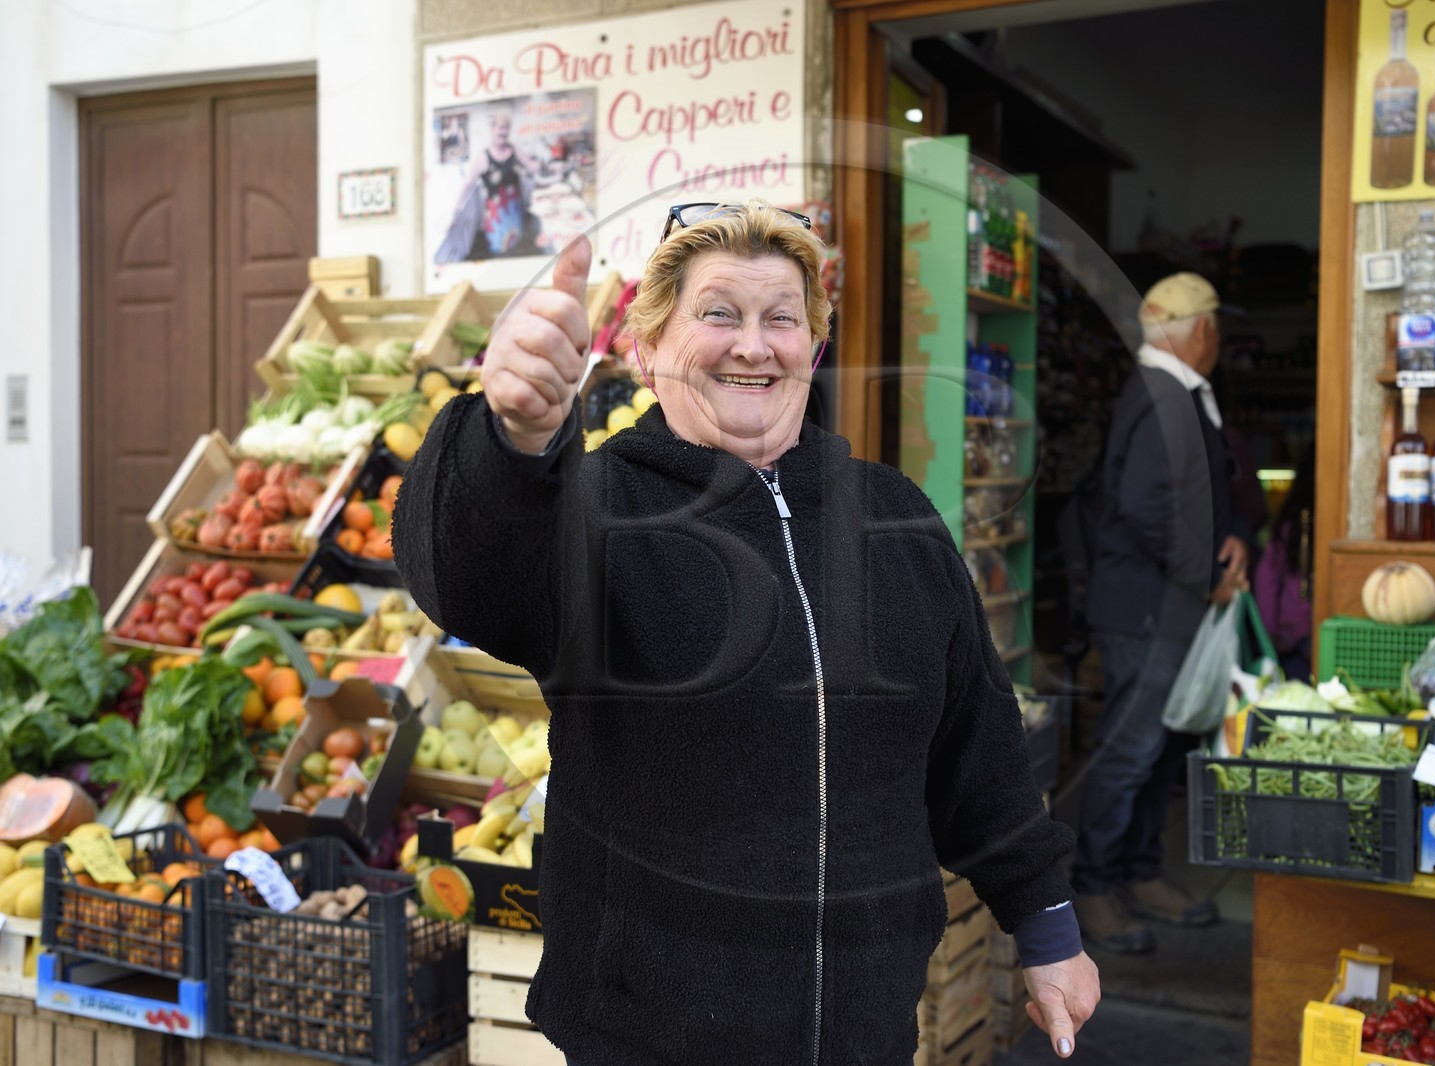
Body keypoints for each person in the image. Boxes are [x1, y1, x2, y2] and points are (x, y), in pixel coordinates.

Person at [394, 201, 1099, 1064]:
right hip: (647, 1041)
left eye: (782, 319)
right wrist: (511, 437)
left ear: (815, 348)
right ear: (648, 348)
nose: (754, 345)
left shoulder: (894, 516)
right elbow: (465, 577)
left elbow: (975, 747)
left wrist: (1046, 920)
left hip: (867, 1036)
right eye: (718, 313)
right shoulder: (590, 508)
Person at [1074, 272, 1248, 955]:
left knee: (1160, 747)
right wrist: (1206, 572)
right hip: (1148, 610)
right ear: (1201, 330)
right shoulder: (1162, 394)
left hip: (1167, 607)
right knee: (1129, 751)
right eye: (1217, 329)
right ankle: (1092, 887)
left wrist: (1225, 540)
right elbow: (1148, 507)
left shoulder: (1175, 392)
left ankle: (1139, 873)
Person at [435, 107, 544, 265]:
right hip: (496, 223)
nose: (503, 132)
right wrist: (453, 214)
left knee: (517, 256)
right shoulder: (483, 157)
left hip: (516, 217)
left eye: (506, 128)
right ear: (492, 129)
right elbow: (465, 187)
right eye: (500, 127)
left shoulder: (514, 150)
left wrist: (548, 164)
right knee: (502, 260)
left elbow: (531, 166)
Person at [1254, 444, 1316, 682]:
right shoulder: (1333, 520)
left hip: (1290, 638)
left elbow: (1266, 581)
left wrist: (1268, 637)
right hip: (1310, 635)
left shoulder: (1289, 525)